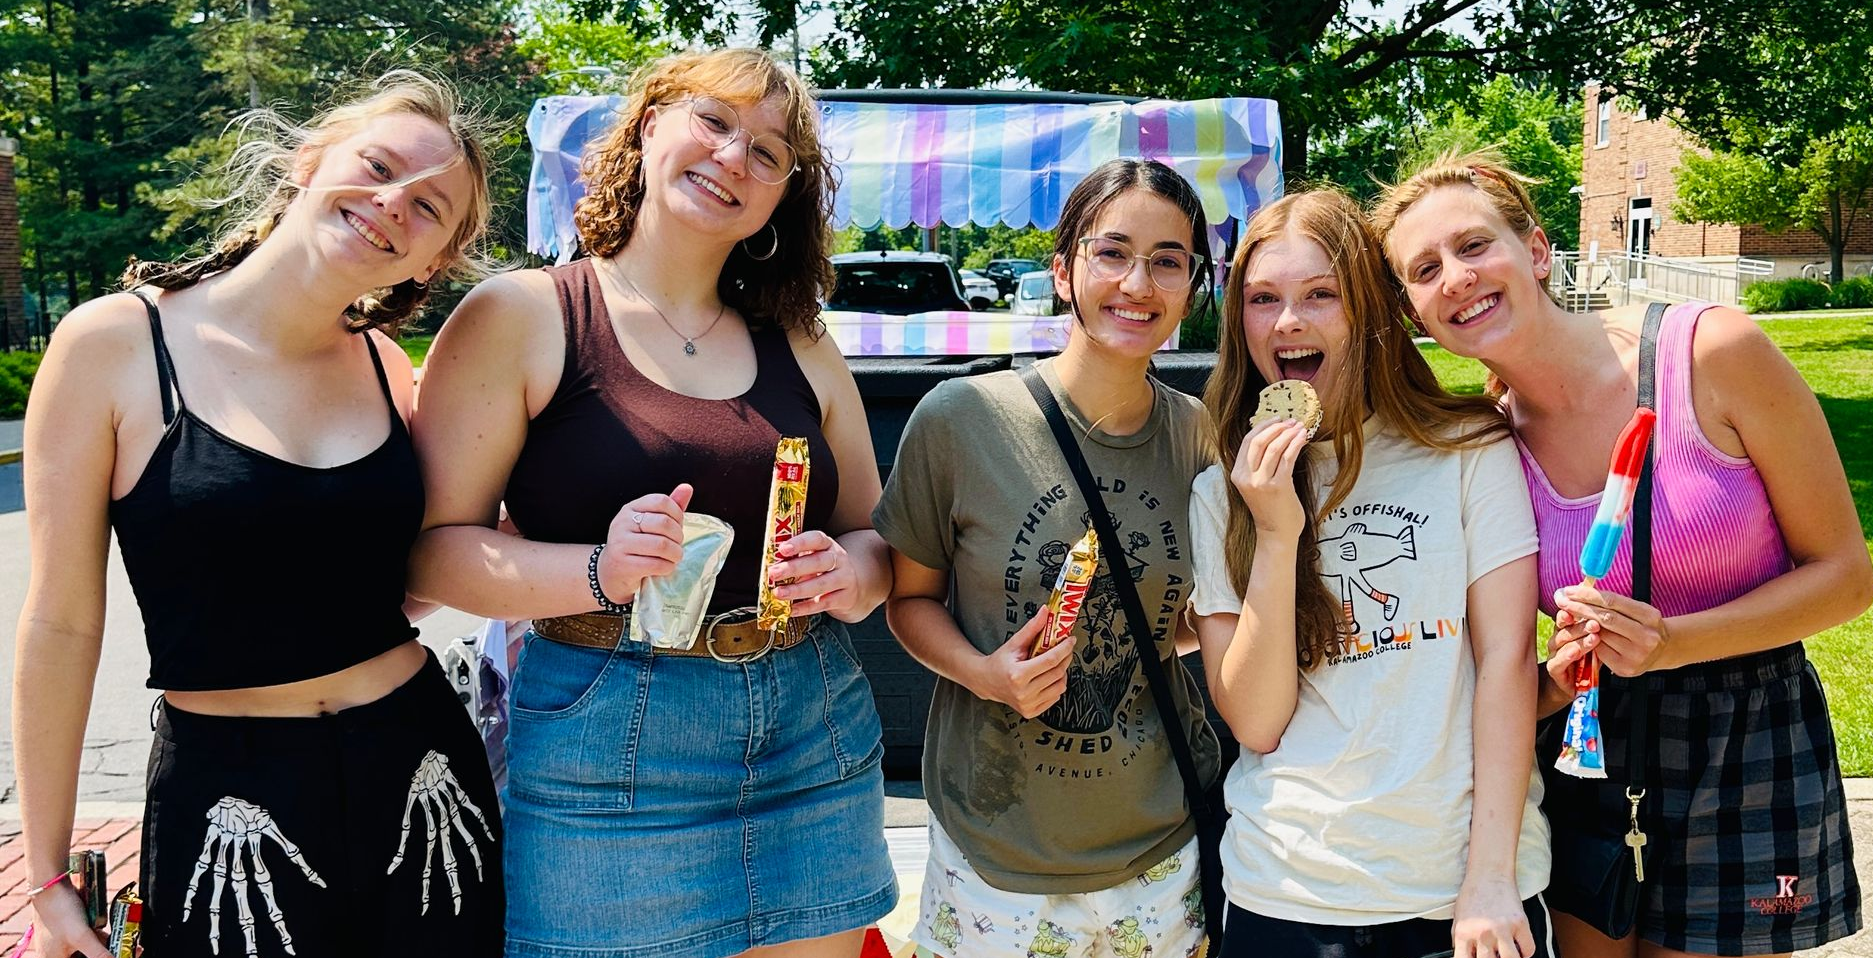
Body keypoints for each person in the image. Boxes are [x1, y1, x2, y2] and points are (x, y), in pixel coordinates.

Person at [407, 48, 896, 958]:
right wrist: (597, 570)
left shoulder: (800, 339)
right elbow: (434, 554)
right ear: (646, 127)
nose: (733, 157)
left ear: (781, 196)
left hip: (811, 726)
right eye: (713, 122)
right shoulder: (524, 314)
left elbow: (871, 535)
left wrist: (851, 576)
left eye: (768, 152)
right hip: (608, 738)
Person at [12, 71, 500, 957]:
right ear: (308, 161)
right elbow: (61, 622)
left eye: (430, 207)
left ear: (431, 262)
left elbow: (385, 583)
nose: (394, 202)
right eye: (378, 166)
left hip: (423, 775)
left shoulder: (389, 368)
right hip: (227, 804)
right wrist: (45, 873)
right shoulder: (114, 345)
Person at [1372, 151, 1870, 958]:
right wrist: (1555, 674)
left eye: (1473, 245)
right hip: (1590, 740)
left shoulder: (1707, 353)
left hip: (1744, 732)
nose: (1455, 278)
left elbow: (1844, 576)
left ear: (1537, 251)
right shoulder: (1482, 445)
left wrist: (1673, 642)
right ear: (1413, 312)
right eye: (1424, 270)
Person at [1189, 188, 1553, 958]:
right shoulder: (1222, 494)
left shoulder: (1466, 449)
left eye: (1320, 295)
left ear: (1366, 309)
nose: (1288, 321)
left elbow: (1506, 663)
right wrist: (1275, 532)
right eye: (1263, 299)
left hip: (1458, 893)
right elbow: (1255, 722)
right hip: (1283, 889)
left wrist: (1489, 878)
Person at [874, 158, 1223, 958]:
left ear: (1191, 285)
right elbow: (907, 600)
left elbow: (1180, 623)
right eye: (1112, 253)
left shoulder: (1196, 435)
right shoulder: (961, 419)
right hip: (995, 851)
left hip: (1160, 846)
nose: (1137, 283)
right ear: (1063, 271)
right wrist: (982, 673)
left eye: (1167, 261)